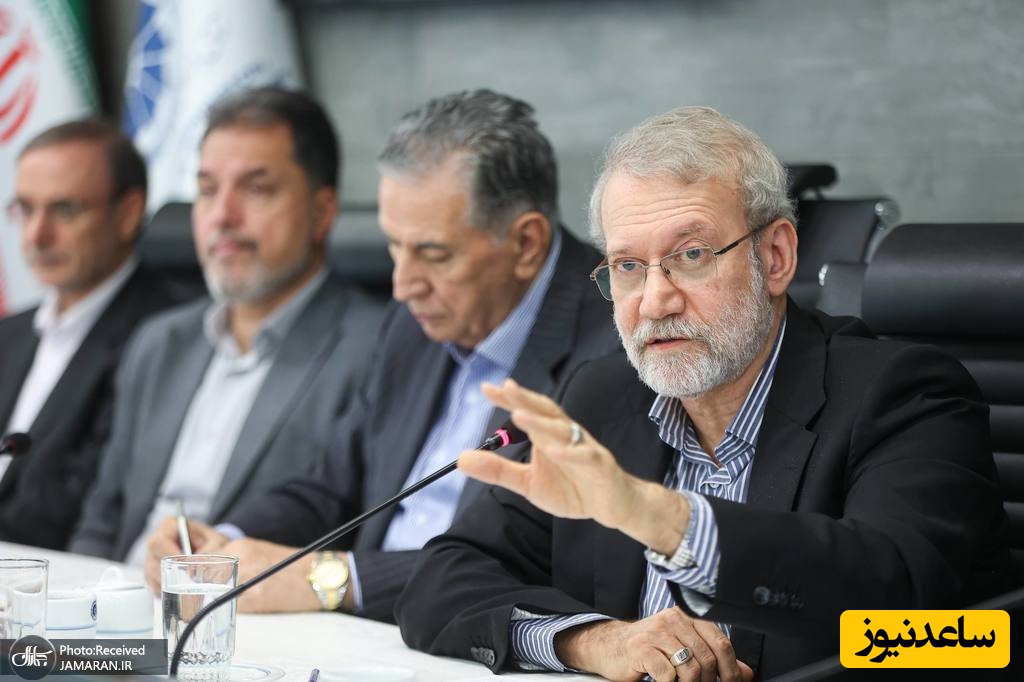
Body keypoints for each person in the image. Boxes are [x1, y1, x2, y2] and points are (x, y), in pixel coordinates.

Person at [394, 106, 1012, 680]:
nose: (654, 301)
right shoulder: (602, 396)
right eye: (627, 266)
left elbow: (913, 617)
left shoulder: (905, 396)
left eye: (691, 255)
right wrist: (595, 640)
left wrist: (661, 520)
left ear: (775, 257)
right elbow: (440, 580)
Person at [142, 89, 620, 622]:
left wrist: (334, 580)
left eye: (432, 254)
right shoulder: (413, 323)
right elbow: (328, 487)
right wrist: (221, 543)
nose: (402, 285)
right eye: (394, 246)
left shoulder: (613, 346)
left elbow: (537, 565)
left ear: (525, 244)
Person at [69, 87, 384, 563]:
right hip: (122, 597)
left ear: (322, 213)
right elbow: (100, 524)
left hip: (245, 600)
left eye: (256, 189)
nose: (222, 216)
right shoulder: (158, 342)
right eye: (207, 190)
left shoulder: (376, 348)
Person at [0, 120, 179, 550]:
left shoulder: (164, 339)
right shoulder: (10, 333)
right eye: (25, 209)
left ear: (129, 213)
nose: (37, 235)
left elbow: (73, 510)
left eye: (64, 210)